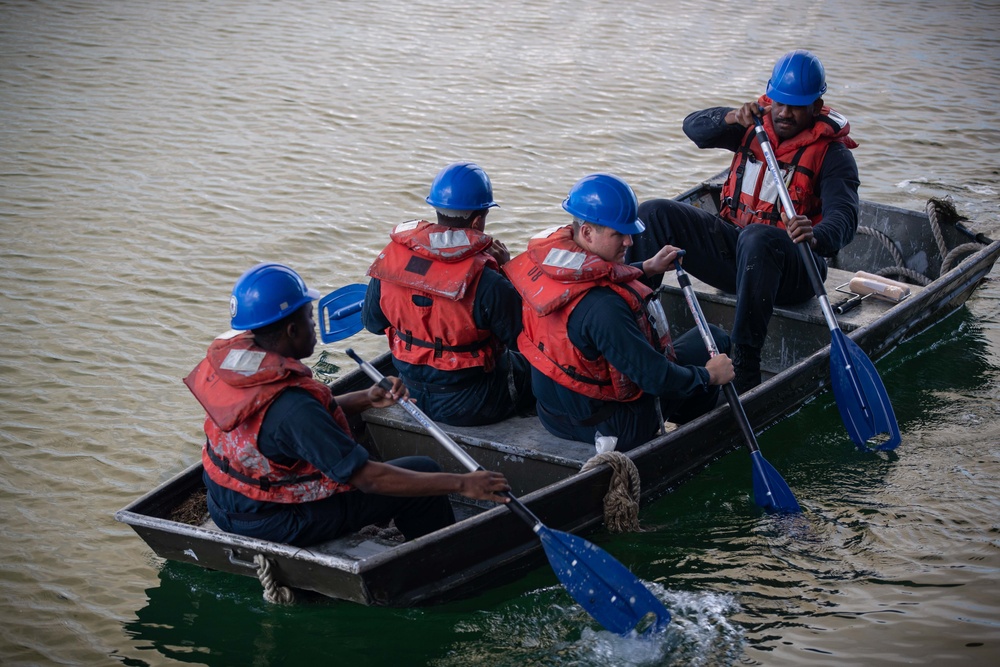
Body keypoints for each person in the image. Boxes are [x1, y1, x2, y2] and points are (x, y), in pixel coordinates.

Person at [184, 262, 510, 547]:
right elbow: (368, 479)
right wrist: (464, 483)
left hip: (225, 501)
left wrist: (366, 398)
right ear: (292, 329)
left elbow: (282, 429)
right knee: (424, 472)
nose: (314, 327)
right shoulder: (293, 406)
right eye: (310, 318)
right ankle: (437, 560)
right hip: (273, 520)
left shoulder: (242, 366)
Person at [628, 50, 860, 393]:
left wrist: (816, 235)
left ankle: (745, 360)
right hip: (738, 256)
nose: (784, 112)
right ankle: (640, 328)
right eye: (779, 102)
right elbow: (694, 128)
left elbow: (845, 216)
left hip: (794, 268)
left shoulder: (834, 154)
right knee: (653, 213)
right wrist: (730, 118)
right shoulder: (752, 125)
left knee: (757, 237)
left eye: (796, 106)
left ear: (816, 105)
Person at [505, 173, 734, 452]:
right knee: (714, 340)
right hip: (612, 428)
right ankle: (694, 427)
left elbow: (597, 277)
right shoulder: (604, 307)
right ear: (588, 232)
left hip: (553, 415)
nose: (629, 241)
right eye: (619, 234)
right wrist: (708, 376)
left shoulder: (548, 269)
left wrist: (647, 267)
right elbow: (655, 378)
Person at [362, 161, 533, 426]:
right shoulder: (487, 279)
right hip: (472, 403)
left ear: (437, 209)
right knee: (537, 367)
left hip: (408, 394)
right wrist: (507, 270)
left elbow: (372, 324)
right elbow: (523, 340)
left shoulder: (391, 263)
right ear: (478, 220)